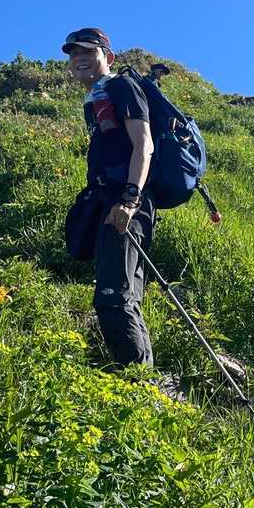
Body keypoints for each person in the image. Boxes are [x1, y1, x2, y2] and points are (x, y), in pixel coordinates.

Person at [63, 27, 155, 366]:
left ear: (109, 57)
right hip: (113, 198)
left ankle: (137, 384)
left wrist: (129, 200)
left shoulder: (120, 87)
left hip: (126, 201)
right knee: (124, 297)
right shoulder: (97, 97)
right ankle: (143, 380)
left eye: (89, 52)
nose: (80, 58)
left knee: (112, 298)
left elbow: (144, 144)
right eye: (74, 53)